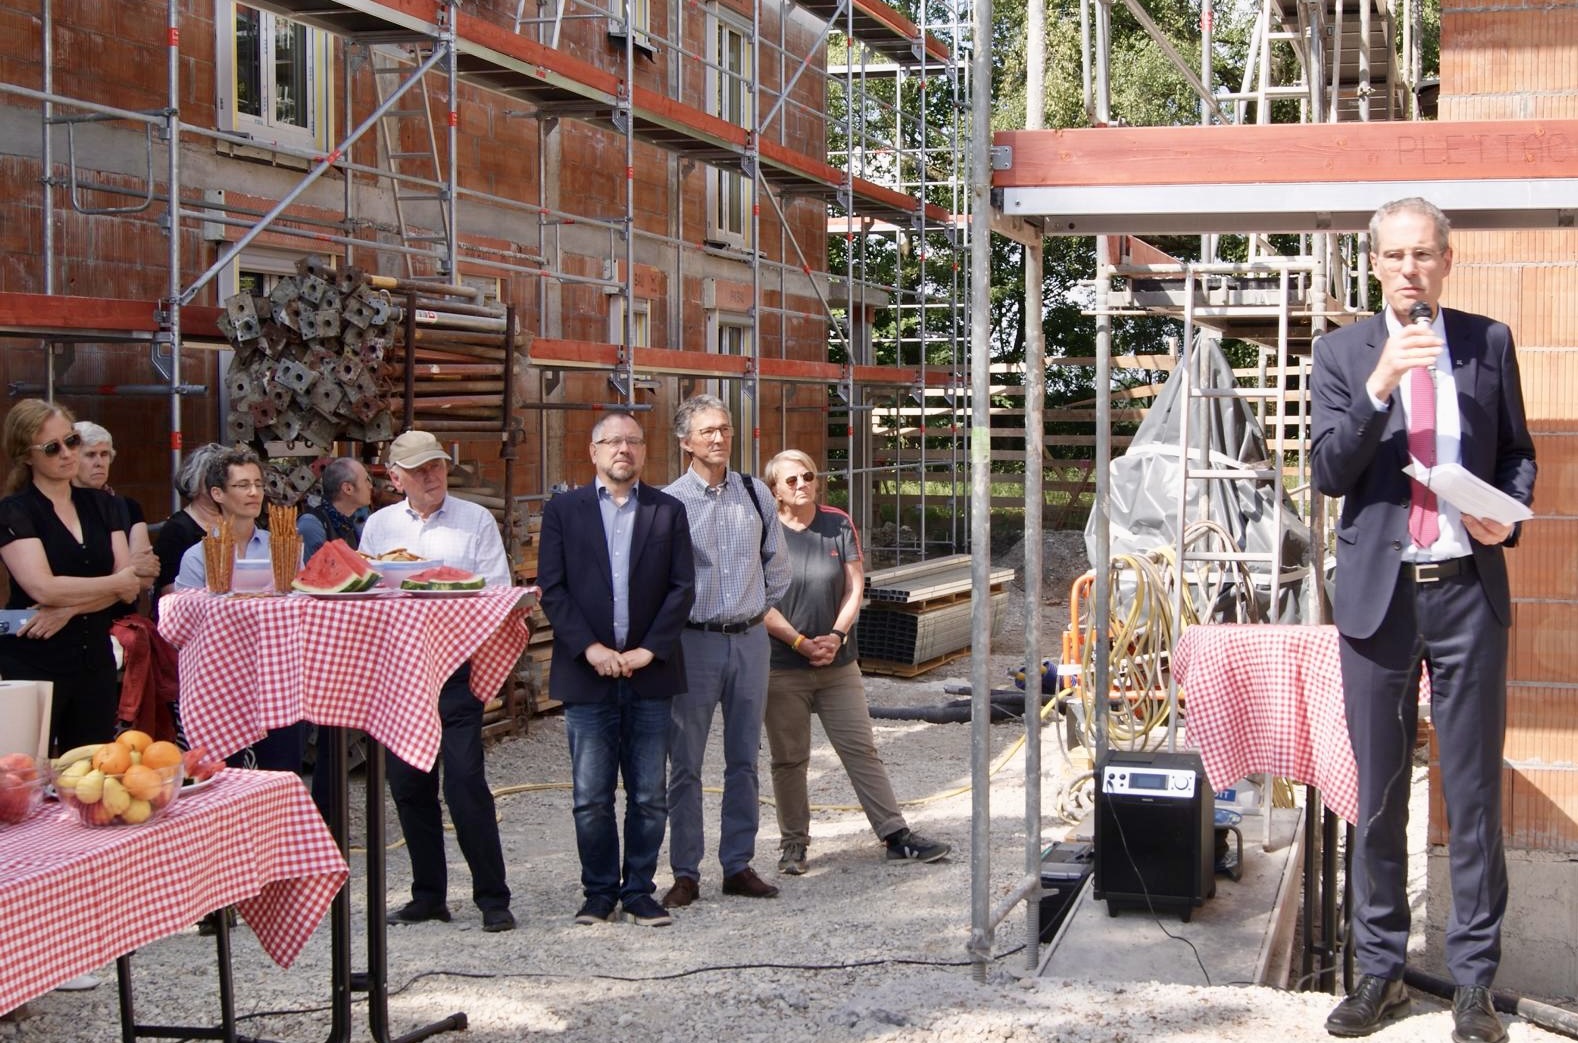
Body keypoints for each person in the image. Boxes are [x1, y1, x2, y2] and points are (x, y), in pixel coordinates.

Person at [1311, 197, 1536, 1043]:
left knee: (1473, 793)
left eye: (1425, 254)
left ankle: (1474, 984)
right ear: (1375, 265)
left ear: (1449, 259)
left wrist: (1505, 514)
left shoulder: (1489, 343)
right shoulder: (1341, 353)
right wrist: (1379, 386)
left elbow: (1518, 452)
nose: (1411, 269)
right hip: (1380, 594)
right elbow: (1332, 469)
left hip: (1468, 591)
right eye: (1396, 256)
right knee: (1377, 795)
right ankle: (1380, 973)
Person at [538, 410, 696, 927]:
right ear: (593, 452)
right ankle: (600, 893)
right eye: (612, 442)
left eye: (632, 441)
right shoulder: (564, 511)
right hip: (588, 673)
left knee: (649, 795)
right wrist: (591, 649)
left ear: (645, 451)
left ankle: (639, 891)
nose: (622, 449)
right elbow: (553, 590)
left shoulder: (667, 511)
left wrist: (649, 650)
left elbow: (681, 588)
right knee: (590, 796)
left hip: (649, 672)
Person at [760, 450, 950, 875]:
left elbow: (855, 584)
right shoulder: (763, 530)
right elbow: (759, 600)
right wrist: (799, 642)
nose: (801, 485)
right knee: (789, 759)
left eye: (807, 476)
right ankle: (794, 846)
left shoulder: (837, 523)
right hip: (781, 666)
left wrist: (836, 635)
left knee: (861, 749)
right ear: (774, 489)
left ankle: (895, 835)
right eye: (790, 480)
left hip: (838, 663)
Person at [360, 429, 516, 933]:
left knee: (467, 782)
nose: (432, 476)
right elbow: (364, 596)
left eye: (437, 466)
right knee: (408, 786)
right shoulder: (379, 527)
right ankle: (429, 895)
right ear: (395, 476)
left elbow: (498, 593)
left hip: (454, 671)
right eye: (420, 469)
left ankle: (493, 897)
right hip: (397, 675)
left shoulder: (475, 521)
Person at [660, 394, 791, 908]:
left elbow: (777, 568)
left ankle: (737, 864)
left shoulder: (756, 494)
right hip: (693, 643)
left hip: (751, 640)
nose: (719, 438)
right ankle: (686, 872)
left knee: (744, 759)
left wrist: (752, 609)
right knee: (686, 763)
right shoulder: (669, 503)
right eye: (708, 431)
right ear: (685, 442)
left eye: (726, 429)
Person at [0, 400, 149, 754]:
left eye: (72, 441)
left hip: (94, 657)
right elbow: (42, 586)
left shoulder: (105, 505)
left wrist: (68, 608)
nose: (67, 454)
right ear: (26, 456)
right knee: (27, 771)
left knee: (91, 773)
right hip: (32, 656)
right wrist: (115, 584)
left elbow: (130, 588)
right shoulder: (15, 511)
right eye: (53, 448)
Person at [174, 446, 306, 772]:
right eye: (242, 485)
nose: (253, 493)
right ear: (217, 493)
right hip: (220, 685)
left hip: (277, 679)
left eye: (258, 484)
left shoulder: (286, 549)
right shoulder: (197, 556)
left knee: (281, 773)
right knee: (222, 776)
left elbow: (302, 607)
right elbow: (185, 627)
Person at [153, 441, 226, 602]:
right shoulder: (176, 529)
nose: (219, 482)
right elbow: (168, 589)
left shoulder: (237, 521)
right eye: (212, 476)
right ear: (195, 479)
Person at [298, 456, 373, 559]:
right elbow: (312, 571)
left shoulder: (355, 521)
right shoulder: (312, 524)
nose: (370, 486)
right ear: (348, 489)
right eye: (366, 480)